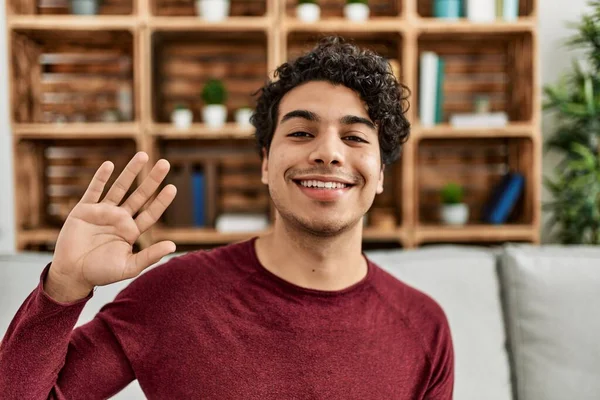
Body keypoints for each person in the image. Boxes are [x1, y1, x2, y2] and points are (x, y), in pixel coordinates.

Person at [0, 36, 454, 399]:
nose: (328, 153)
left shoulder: (424, 326)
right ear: (264, 162)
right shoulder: (171, 296)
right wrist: (62, 288)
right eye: (301, 132)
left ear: (379, 175)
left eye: (355, 137)